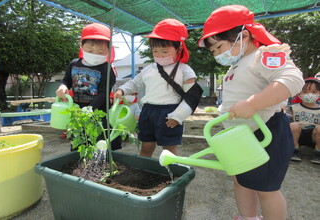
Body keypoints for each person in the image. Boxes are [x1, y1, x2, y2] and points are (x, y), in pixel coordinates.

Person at [198, 5, 304, 220]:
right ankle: (247, 217)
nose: (217, 54)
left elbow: (292, 80)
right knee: (241, 179)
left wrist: (253, 103)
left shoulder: (264, 55)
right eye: (213, 51)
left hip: (267, 129)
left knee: (266, 188)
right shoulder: (237, 63)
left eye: (218, 47)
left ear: (243, 35)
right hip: (241, 136)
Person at [114, 18, 197, 158]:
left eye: (164, 52)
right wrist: (121, 90)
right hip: (148, 111)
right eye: (155, 51)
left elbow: (192, 98)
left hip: (170, 112)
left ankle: (173, 174)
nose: (159, 55)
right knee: (146, 146)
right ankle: (144, 170)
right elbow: (134, 83)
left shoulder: (185, 70)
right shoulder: (149, 69)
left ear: (179, 48)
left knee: (169, 150)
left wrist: (179, 116)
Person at [56, 23, 121, 150]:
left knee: (101, 145)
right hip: (78, 113)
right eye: (90, 51)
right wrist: (62, 87)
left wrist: (89, 109)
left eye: (100, 51)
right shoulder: (74, 64)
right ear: (81, 46)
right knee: (80, 144)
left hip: (99, 114)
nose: (95, 54)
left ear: (108, 50)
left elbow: (103, 93)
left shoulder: (107, 69)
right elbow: (66, 81)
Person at [286, 77, 320, 163]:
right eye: (305, 91)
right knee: (293, 125)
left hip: (314, 136)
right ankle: (293, 149)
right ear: (299, 93)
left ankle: (318, 151)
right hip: (297, 134)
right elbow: (286, 120)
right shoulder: (293, 107)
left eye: (314, 92)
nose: (309, 94)